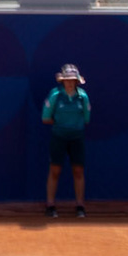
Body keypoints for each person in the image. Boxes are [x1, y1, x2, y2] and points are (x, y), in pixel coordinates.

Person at [42, 62, 91, 218]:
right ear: (63, 81)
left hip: (77, 138)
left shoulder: (83, 96)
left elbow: (86, 118)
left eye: (72, 80)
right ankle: (50, 206)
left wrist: (73, 126)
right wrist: (61, 125)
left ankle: (80, 206)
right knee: (55, 170)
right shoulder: (55, 95)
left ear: (76, 81)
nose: (69, 82)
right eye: (67, 80)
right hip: (59, 138)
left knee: (78, 170)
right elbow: (45, 118)